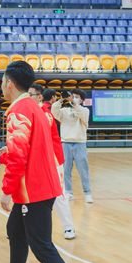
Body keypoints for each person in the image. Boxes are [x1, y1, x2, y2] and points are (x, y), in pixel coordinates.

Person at [0, 61, 88, 263]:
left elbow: (19, 154)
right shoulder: (34, 107)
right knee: (15, 230)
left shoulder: (19, 111)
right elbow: (27, 148)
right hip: (40, 184)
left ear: (10, 83)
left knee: (42, 245)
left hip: (33, 189)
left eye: (2, 81)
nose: (1, 86)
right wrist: (2, 155)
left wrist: (7, 190)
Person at [29, 85, 76, 240]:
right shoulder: (30, 111)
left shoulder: (45, 113)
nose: (28, 97)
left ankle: (68, 227)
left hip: (53, 159)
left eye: (31, 94)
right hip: (36, 159)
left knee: (58, 193)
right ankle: (23, 227)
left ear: (40, 96)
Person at [51, 89, 93, 204]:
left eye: (77, 97)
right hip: (66, 142)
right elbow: (54, 111)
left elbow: (81, 114)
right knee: (66, 169)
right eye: (72, 96)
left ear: (82, 100)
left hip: (80, 143)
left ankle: (87, 193)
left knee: (83, 169)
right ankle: (68, 192)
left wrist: (74, 103)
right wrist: (61, 100)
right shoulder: (64, 111)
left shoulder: (84, 110)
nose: (74, 98)